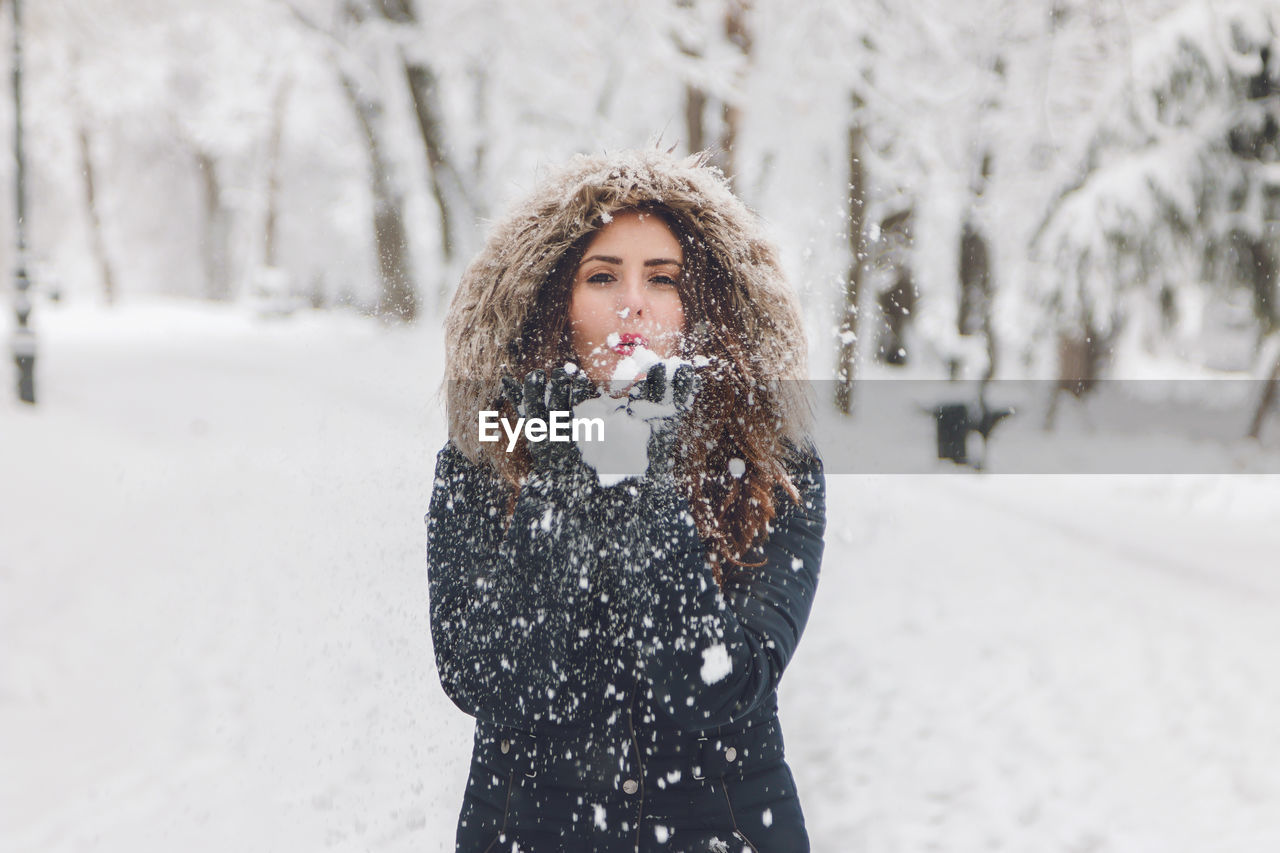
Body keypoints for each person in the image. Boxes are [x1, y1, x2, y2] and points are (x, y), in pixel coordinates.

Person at [428, 149, 827, 852]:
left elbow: (716, 688)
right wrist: (563, 467)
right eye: (602, 275)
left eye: (663, 278)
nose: (632, 302)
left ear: (703, 303)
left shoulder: (774, 467)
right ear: (553, 298)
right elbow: (493, 680)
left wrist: (643, 477)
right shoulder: (486, 457)